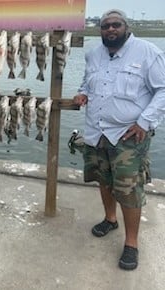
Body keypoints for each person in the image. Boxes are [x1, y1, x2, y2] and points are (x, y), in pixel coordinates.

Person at [73, 9, 165, 270]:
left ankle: (132, 243)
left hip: (128, 135)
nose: (110, 29)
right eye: (105, 26)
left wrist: (144, 122)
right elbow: (87, 82)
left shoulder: (148, 52)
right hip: (96, 131)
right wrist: (82, 93)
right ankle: (110, 219)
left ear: (126, 26)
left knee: (128, 189)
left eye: (115, 25)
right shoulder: (93, 52)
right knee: (104, 180)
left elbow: (163, 90)